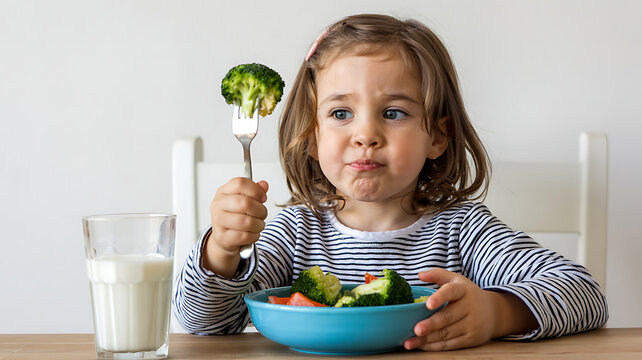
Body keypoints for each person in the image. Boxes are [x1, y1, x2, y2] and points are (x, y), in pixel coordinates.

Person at [173, 14, 608, 351]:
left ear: (437, 137)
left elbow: (585, 295)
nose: (366, 135)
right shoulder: (292, 233)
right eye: (341, 114)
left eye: (394, 112)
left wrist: (495, 313)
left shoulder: (464, 229)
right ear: (312, 136)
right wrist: (221, 251)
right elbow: (203, 323)